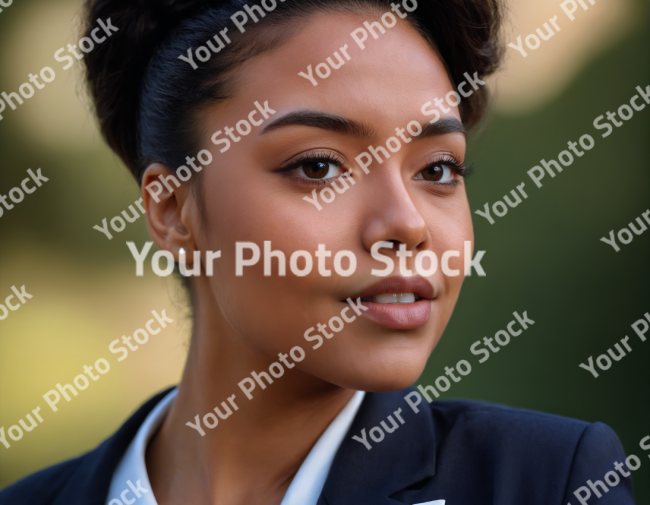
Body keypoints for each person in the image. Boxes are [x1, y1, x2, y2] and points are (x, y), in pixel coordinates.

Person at [0, 0, 635, 504]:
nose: (408, 224)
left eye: (439, 170)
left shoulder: (543, 482)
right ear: (173, 210)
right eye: (318, 166)